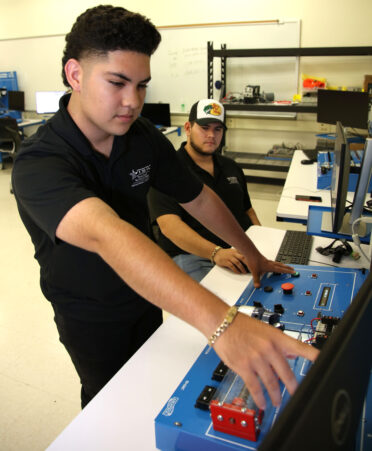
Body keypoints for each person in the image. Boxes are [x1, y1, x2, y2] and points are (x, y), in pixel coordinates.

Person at [11, 5, 318, 411]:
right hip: (90, 315)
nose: (132, 101)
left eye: (142, 86)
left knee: (154, 394)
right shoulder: (39, 163)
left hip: (147, 294)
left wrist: (252, 253)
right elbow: (110, 234)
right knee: (110, 406)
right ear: (75, 74)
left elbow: (200, 198)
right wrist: (223, 324)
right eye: (118, 82)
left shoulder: (141, 137)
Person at [148, 99, 261, 282]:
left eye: (218, 129)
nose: (211, 135)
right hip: (192, 255)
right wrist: (215, 253)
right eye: (204, 127)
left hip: (236, 252)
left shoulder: (231, 167)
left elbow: (247, 210)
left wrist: (258, 246)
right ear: (187, 128)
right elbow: (169, 226)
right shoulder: (166, 170)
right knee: (218, 303)